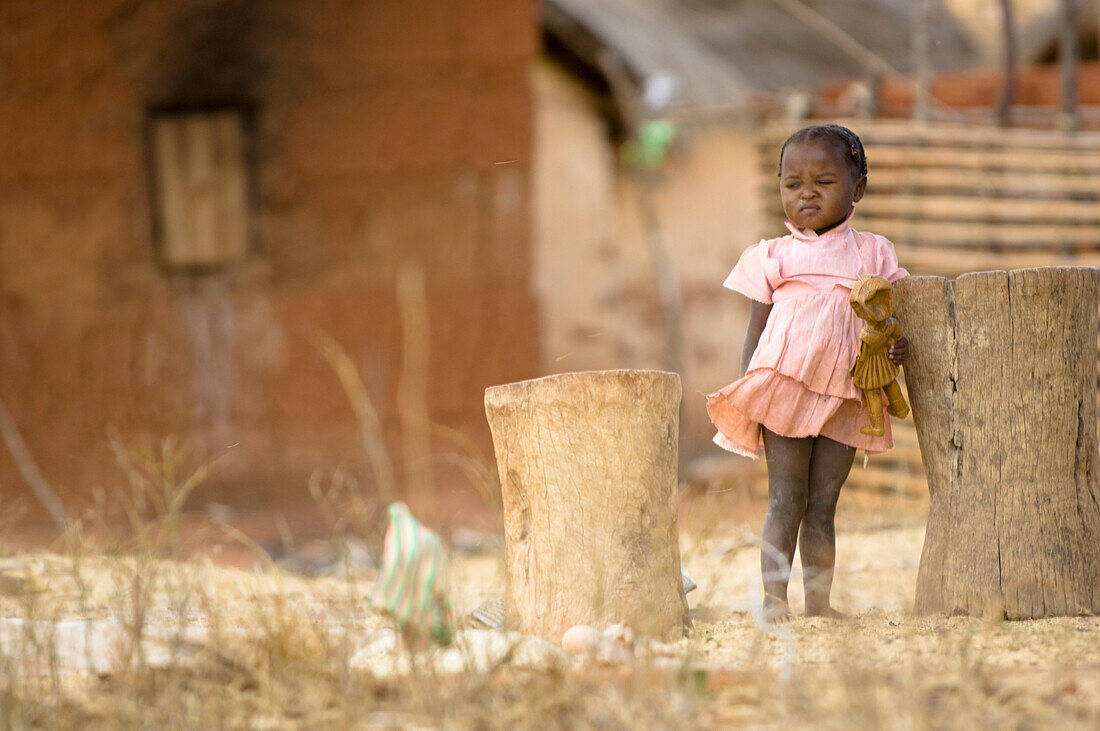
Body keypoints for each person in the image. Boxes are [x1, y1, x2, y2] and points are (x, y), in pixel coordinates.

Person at [706, 125, 909, 623]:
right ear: (779, 188)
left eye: (823, 180)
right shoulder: (772, 256)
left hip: (848, 394)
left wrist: (899, 347)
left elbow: (896, 318)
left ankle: (818, 604)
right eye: (793, 183)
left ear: (857, 187)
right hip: (786, 392)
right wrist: (750, 396)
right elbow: (755, 331)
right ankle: (774, 603)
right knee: (785, 500)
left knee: (823, 504)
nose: (807, 193)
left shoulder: (874, 254)